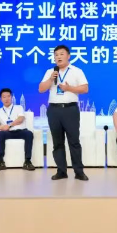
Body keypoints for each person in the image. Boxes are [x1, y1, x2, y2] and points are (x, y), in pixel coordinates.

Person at [38, 45, 89, 181]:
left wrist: (69, 88)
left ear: (68, 56)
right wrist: (51, 79)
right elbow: (41, 89)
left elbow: (85, 89)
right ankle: (61, 171)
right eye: (56, 55)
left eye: (61, 54)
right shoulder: (50, 71)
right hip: (54, 110)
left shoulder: (76, 71)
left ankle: (79, 172)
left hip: (70, 109)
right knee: (57, 142)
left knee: (74, 141)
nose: (58, 57)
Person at [0, 88, 36, 171]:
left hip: (21, 131)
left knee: (29, 134)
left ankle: (28, 161)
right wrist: (1, 127)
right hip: (8, 133)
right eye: (4, 97)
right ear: (1, 99)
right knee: (0, 134)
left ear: (11, 97)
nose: (6, 99)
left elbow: (21, 119)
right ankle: (0, 161)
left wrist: (9, 125)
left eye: (8, 96)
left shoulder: (18, 107)